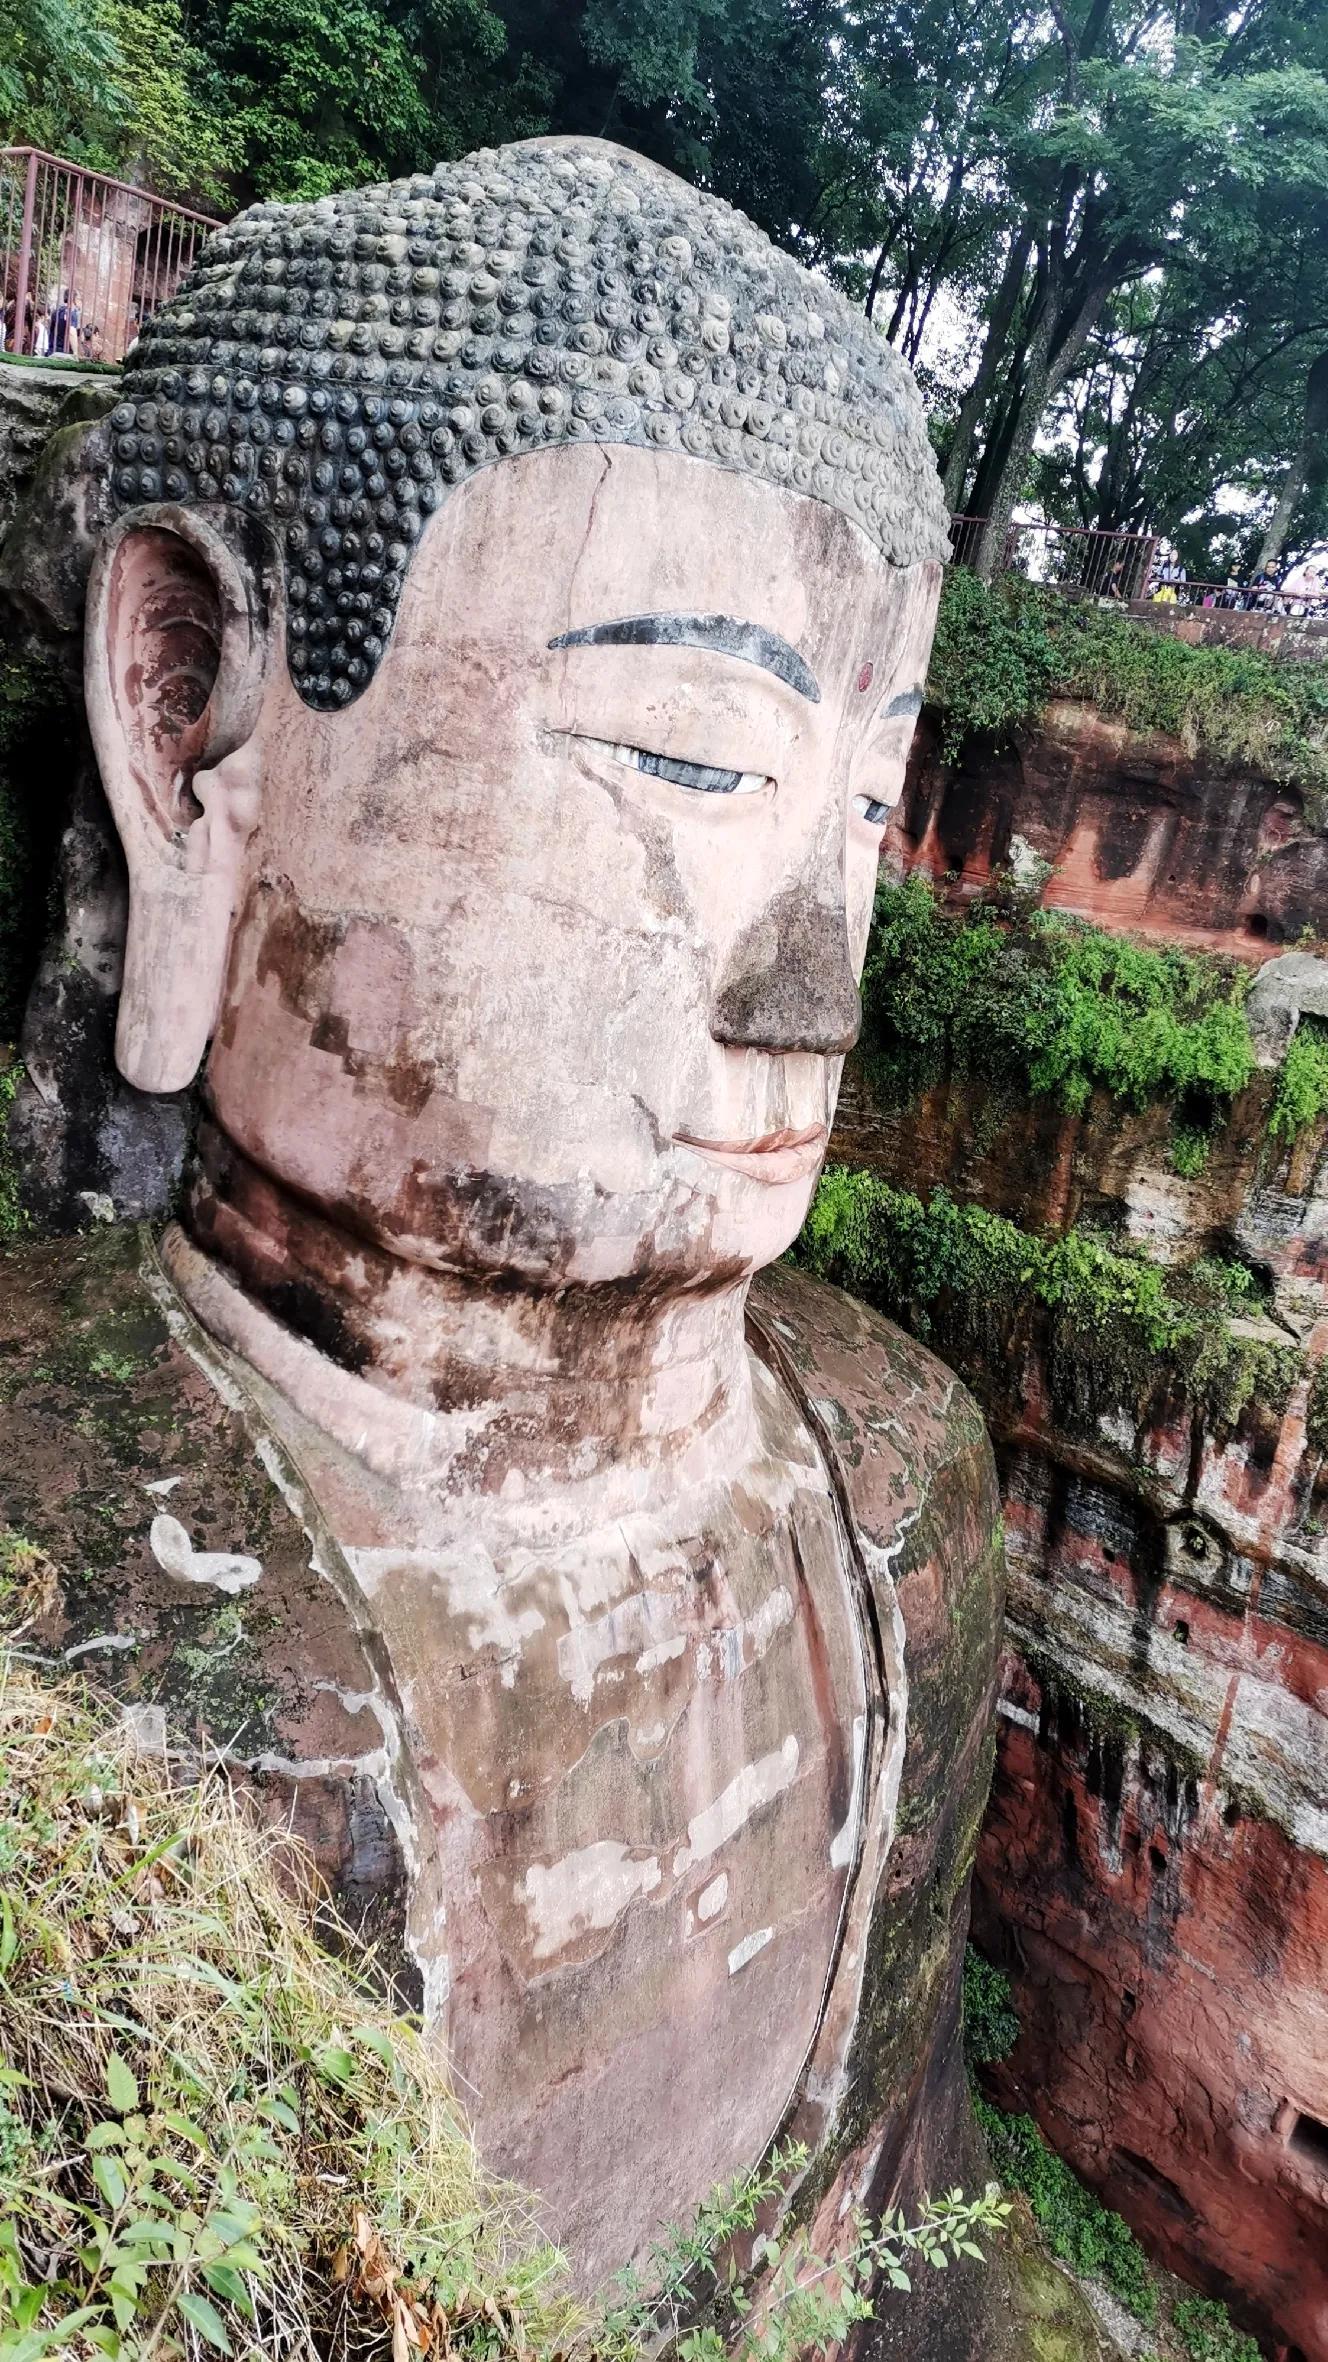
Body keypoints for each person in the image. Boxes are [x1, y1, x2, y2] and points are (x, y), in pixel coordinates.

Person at [76, 136, 1005, 2312]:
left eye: (863, 808)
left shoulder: (897, 1482)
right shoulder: (66, 1600)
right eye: (683, 754)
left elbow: (897, 2201)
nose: (815, 981)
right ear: (188, 718)